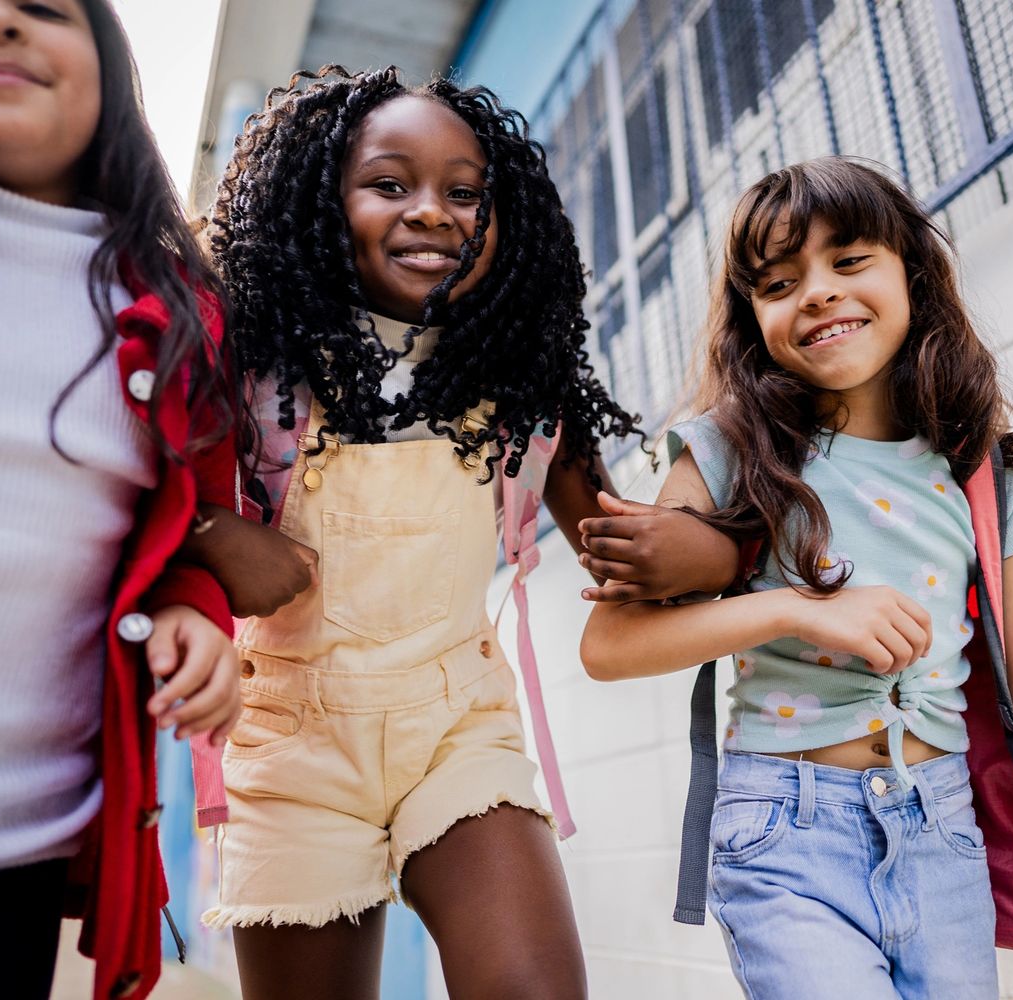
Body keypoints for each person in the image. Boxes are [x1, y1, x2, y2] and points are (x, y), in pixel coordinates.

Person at [579, 157, 1013, 999]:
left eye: (848, 262)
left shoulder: (984, 473)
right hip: (786, 833)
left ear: (911, 274)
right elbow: (609, 644)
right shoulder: (727, 448)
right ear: (752, 316)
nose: (815, 292)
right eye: (778, 282)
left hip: (943, 833)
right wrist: (798, 610)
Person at [193, 66, 740, 999]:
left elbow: (630, 550)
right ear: (319, 205)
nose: (433, 213)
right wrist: (210, 536)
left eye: (463, 193)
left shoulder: (519, 382)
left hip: (457, 724)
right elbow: (137, 497)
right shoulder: (255, 373)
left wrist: (710, 551)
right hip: (291, 741)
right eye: (388, 185)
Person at [0, 2, 301, 997]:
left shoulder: (175, 305)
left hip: (3, 866)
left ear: (109, 84)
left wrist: (194, 612)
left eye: (44, 9)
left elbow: (181, 531)